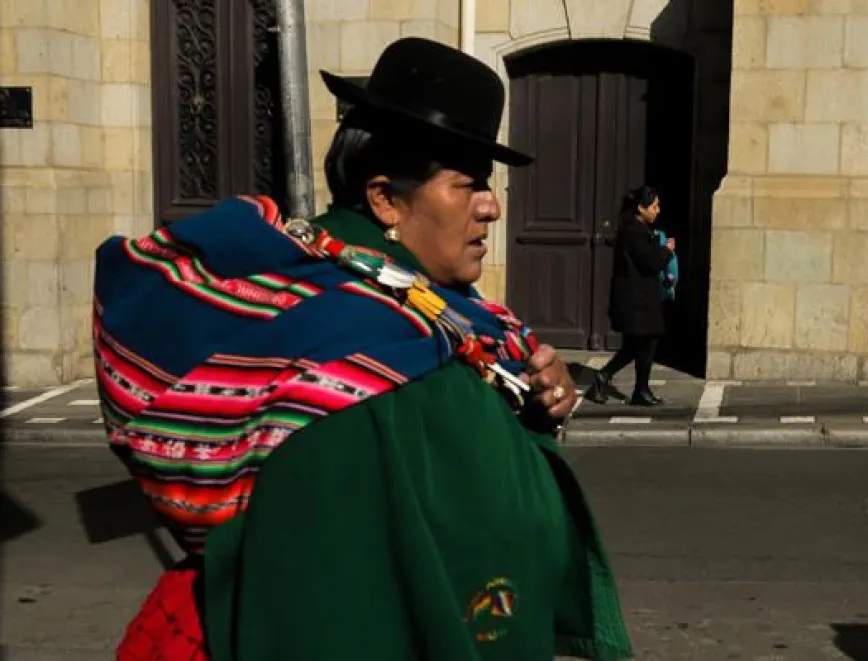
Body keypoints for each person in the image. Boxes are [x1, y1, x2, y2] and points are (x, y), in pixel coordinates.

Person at [98, 37, 632, 660]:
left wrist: (536, 407)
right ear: (384, 199)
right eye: (467, 185)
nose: (490, 207)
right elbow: (341, 594)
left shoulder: (421, 308)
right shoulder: (360, 345)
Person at [589, 186, 674, 407]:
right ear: (641, 207)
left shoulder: (636, 229)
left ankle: (635, 387)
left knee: (640, 343)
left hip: (640, 298)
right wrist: (666, 250)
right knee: (641, 343)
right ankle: (620, 383)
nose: (657, 211)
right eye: (654, 206)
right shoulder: (634, 231)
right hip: (637, 300)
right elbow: (651, 262)